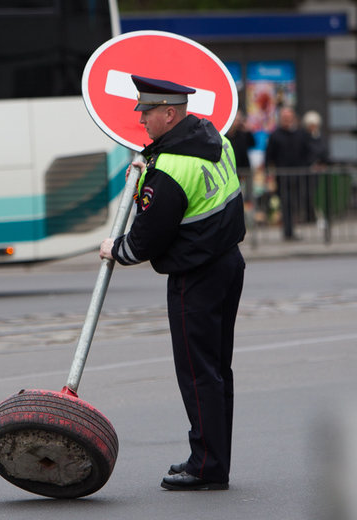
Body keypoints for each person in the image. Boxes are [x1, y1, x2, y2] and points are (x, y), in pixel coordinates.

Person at [99, 75, 246, 491]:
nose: (141, 119)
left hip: (194, 277)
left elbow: (148, 236)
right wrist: (150, 166)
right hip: (228, 264)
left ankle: (206, 466)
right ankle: (215, 459)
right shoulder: (217, 139)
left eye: (147, 112)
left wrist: (116, 249)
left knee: (198, 374)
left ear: (169, 113)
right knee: (217, 370)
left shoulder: (169, 168)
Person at [264, 106, 311, 240]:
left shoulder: (301, 134)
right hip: (282, 176)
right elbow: (269, 155)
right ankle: (288, 232)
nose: (287, 120)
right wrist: (269, 172)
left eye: (289, 117)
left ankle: (292, 230)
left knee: (295, 203)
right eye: (284, 117)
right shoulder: (276, 135)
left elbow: (308, 151)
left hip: (298, 175)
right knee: (286, 203)